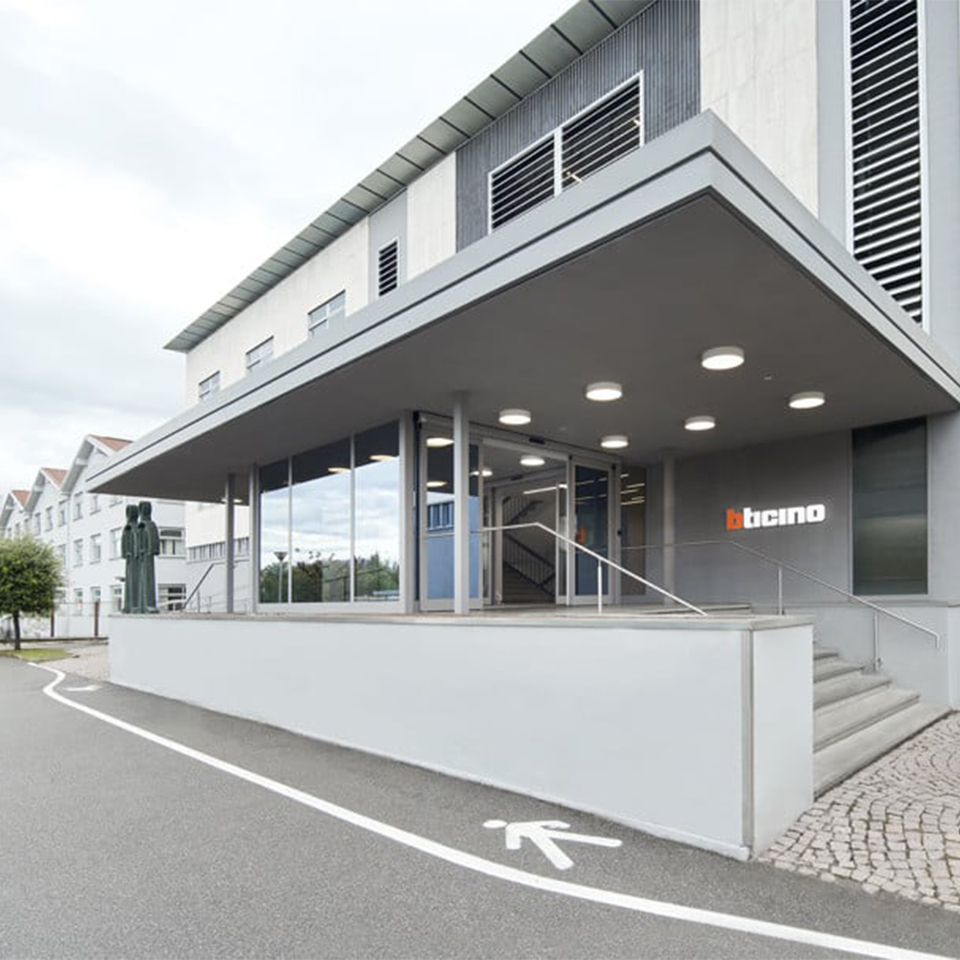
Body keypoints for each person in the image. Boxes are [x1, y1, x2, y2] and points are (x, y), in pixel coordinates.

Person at [137, 501, 161, 613]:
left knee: (147, 577)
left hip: (147, 556)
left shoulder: (150, 525)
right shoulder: (139, 527)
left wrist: (151, 550)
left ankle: (148, 603)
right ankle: (140, 604)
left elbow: (153, 542)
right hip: (141, 556)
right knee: (140, 580)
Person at [121, 504, 140, 613]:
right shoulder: (127, 527)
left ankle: (134, 604)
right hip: (130, 558)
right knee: (130, 580)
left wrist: (136, 553)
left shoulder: (138, 527)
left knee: (134, 580)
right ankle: (129, 604)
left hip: (135, 558)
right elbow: (124, 541)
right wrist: (125, 553)